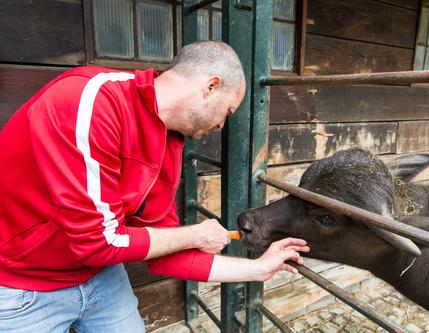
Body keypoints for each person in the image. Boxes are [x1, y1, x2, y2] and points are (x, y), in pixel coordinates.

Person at [0, 41, 309, 332]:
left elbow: (164, 251)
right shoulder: (90, 100)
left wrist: (260, 268)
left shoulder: (169, 140)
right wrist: (194, 234)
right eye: (228, 112)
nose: (221, 126)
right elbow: (97, 242)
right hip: (22, 285)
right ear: (211, 86)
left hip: (100, 276)